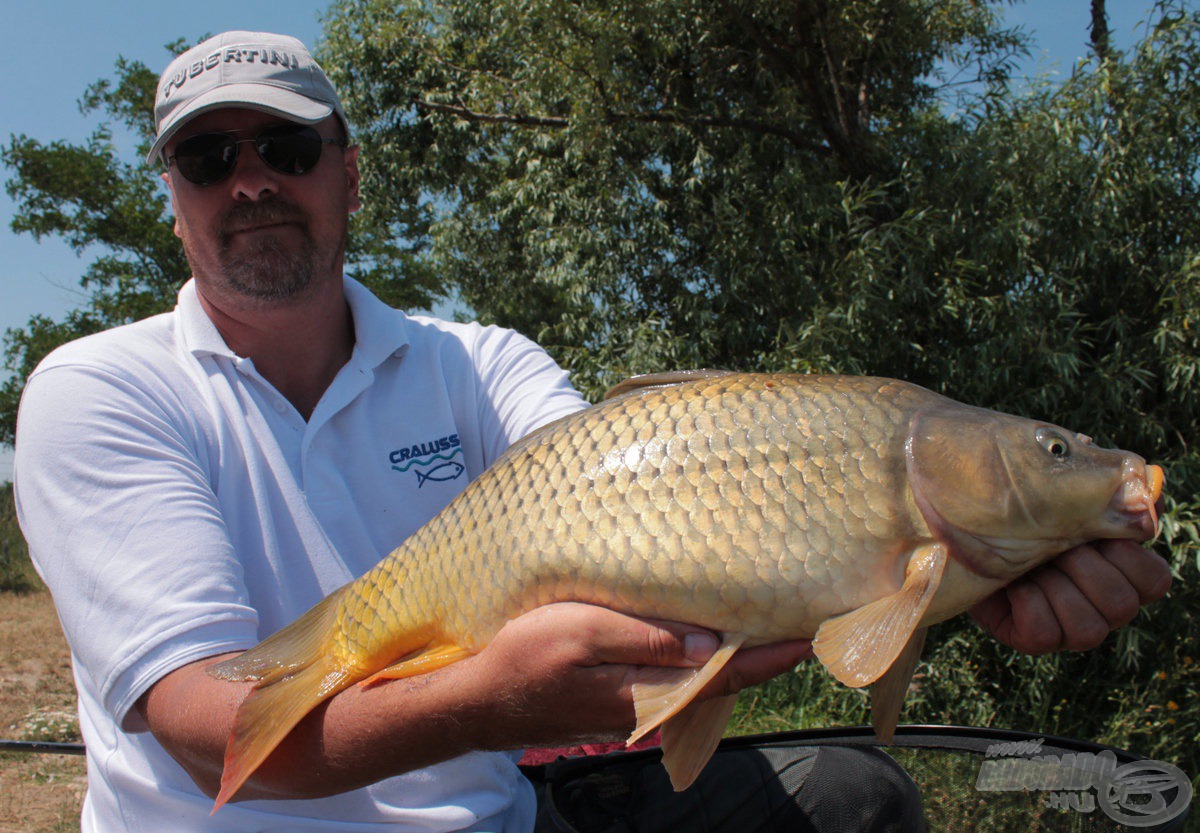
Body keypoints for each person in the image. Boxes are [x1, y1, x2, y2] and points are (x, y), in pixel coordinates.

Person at [12, 30, 1171, 833]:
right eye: (212, 159)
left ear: (350, 176)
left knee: (855, 793)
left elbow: (647, 517)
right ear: (173, 200)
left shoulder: (481, 363)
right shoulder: (99, 388)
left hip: (501, 815)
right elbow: (217, 737)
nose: (252, 181)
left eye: (289, 148)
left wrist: (986, 582)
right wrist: (502, 698)